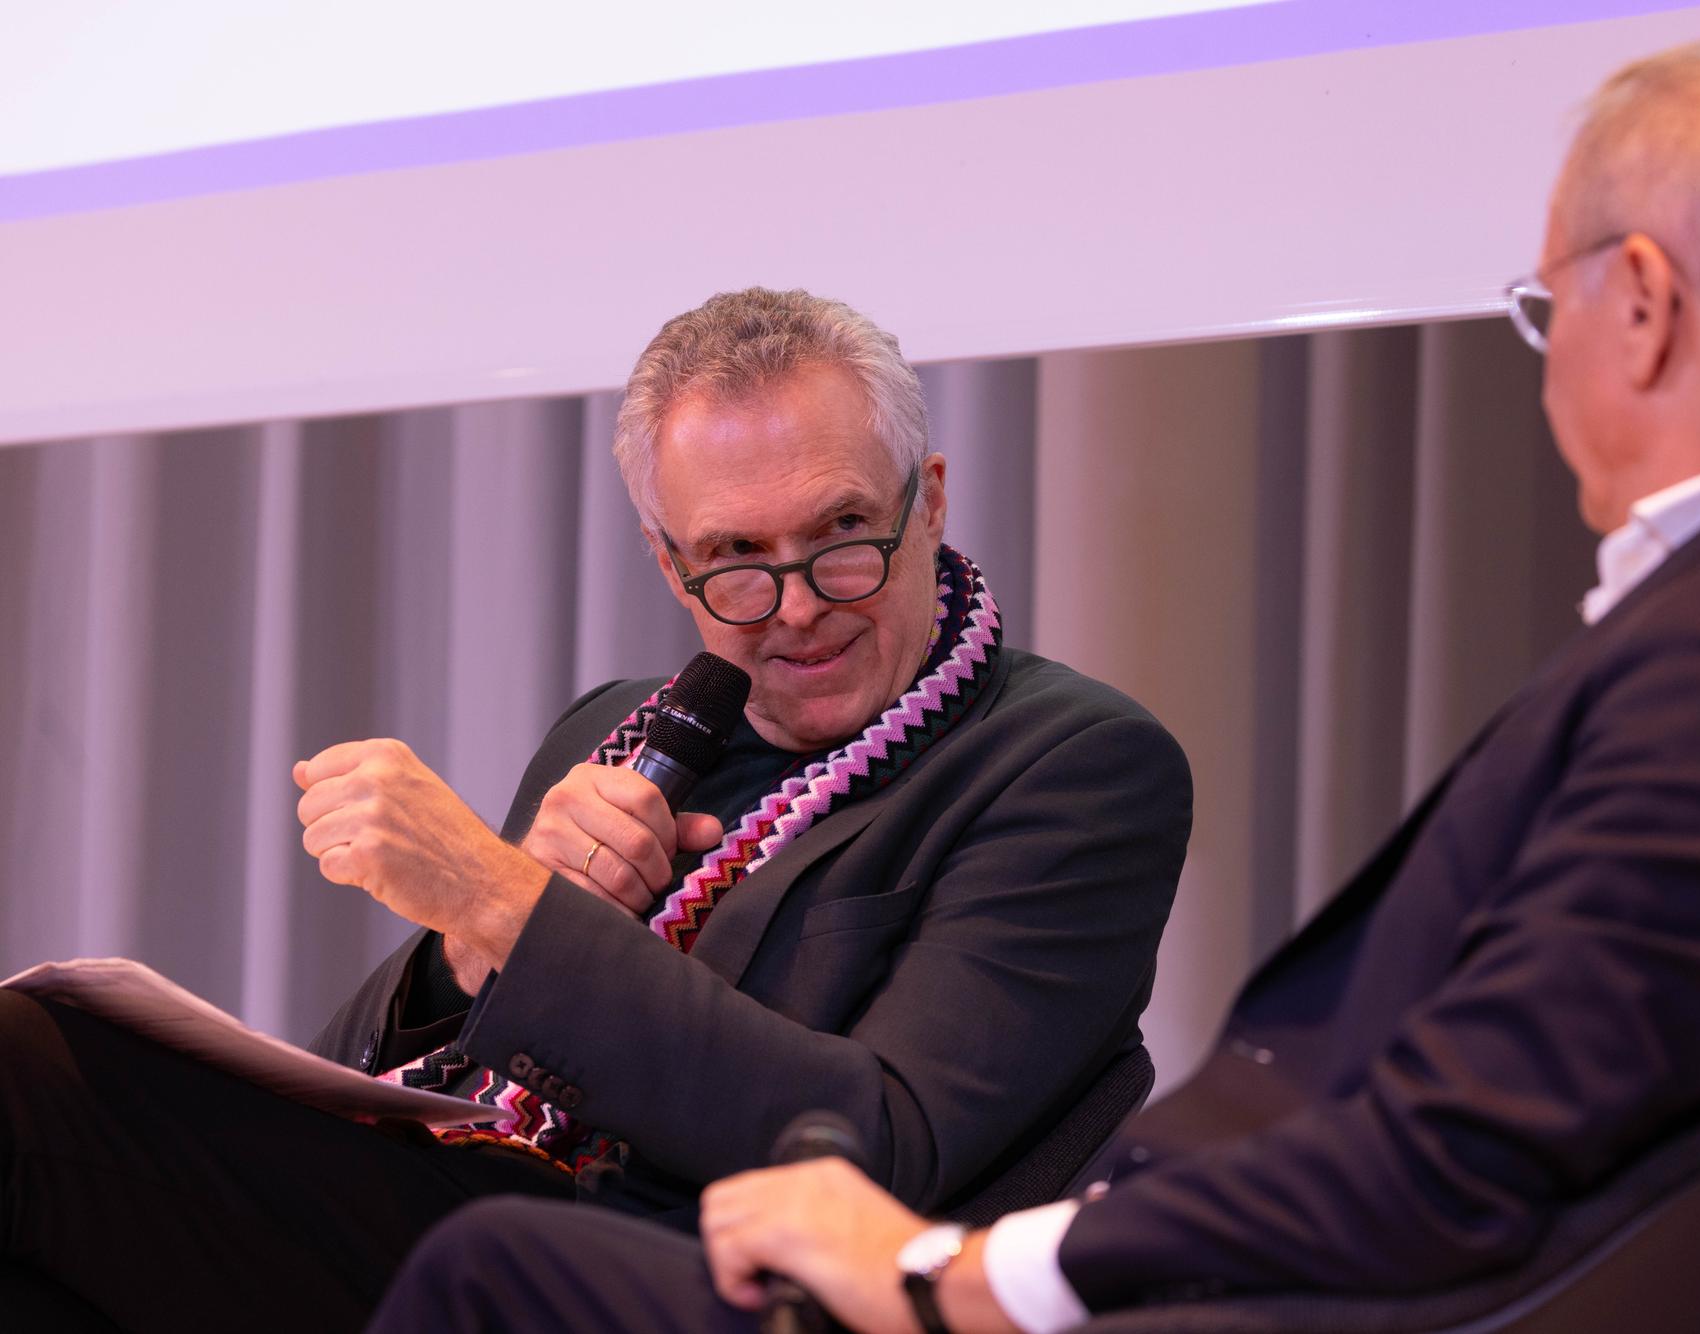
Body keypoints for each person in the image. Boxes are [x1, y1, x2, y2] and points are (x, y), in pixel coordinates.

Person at [364, 39, 1700, 1334]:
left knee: (494, 1269)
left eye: (1543, 307)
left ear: (1638, 303)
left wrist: (960, 1269)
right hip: (1235, 1270)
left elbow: (1453, 1142)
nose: (1551, 356)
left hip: (1235, 1297)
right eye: (735, 559)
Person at [0, 289, 1192, 1333]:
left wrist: (507, 903)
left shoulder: (1072, 763)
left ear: (925, 503)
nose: (794, 606)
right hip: (451, 1208)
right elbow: (346, 1070)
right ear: (669, 564)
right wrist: (468, 949)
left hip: (677, 1281)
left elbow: (880, 1143)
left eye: (840, 537)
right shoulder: (621, 726)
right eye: (736, 556)